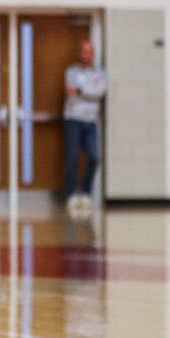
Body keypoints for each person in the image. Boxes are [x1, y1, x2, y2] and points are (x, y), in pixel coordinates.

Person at [62, 40, 106, 216]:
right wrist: (87, 92)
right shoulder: (71, 72)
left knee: (94, 156)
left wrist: (82, 91)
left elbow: (100, 92)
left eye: (90, 52)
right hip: (73, 119)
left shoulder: (100, 73)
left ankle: (86, 193)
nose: (86, 55)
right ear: (80, 54)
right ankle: (72, 194)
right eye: (84, 52)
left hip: (91, 121)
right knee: (72, 158)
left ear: (93, 54)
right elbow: (71, 92)